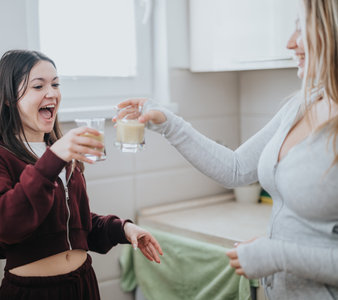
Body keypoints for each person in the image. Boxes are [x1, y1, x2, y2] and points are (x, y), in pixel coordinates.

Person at [115, 0, 338, 298]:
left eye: (301, 26)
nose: (290, 42)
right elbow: (235, 169)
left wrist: (277, 255)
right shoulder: (301, 105)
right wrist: (168, 122)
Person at [0, 49, 163, 300]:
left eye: (56, 84)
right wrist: (54, 159)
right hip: (34, 293)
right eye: (38, 86)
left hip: (83, 286)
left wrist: (122, 229)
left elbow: (75, 224)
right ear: (8, 98)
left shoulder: (59, 151)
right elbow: (5, 224)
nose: (52, 93)